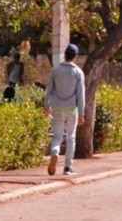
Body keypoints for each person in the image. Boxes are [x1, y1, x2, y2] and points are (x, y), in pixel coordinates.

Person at [45, 44, 86, 176]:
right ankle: (68, 167)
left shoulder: (55, 70)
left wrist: (47, 106)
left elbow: (49, 90)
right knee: (70, 137)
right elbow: (81, 95)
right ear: (75, 56)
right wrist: (81, 113)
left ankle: (54, 153)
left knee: (57, 136)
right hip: (71, 109)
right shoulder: (78, 72)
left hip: (57, 108)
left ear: (65, 54)